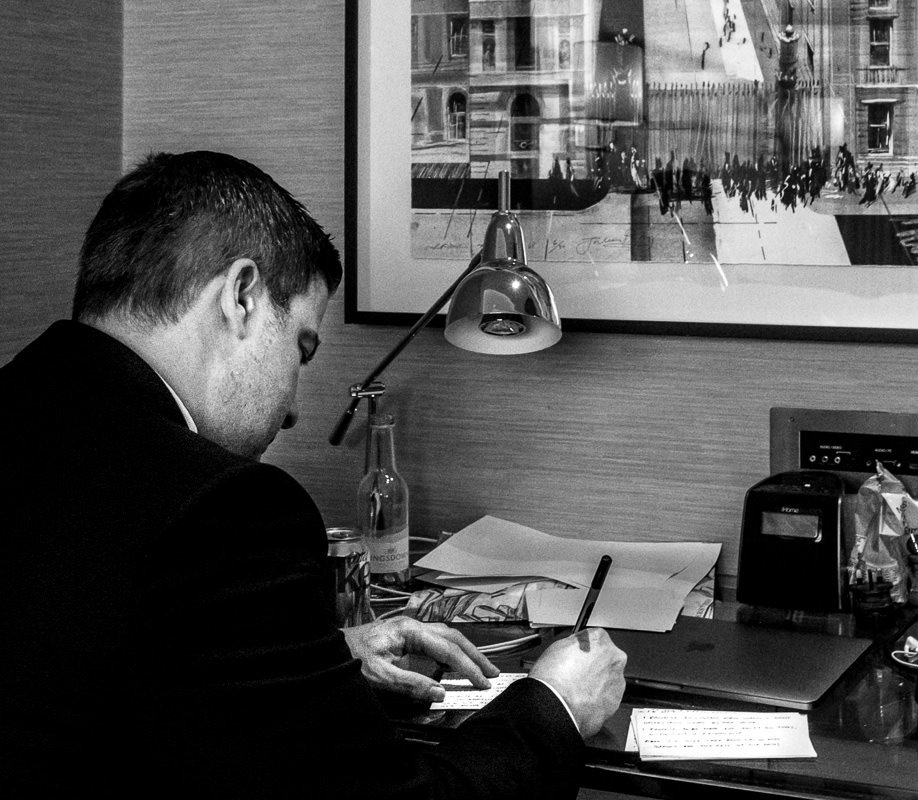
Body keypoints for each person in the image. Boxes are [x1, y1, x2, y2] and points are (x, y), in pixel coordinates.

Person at [0, 151, 627, 798]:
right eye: (301, 348)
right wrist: (555, 706)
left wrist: (315, 654)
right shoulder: (224, 510)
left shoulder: (22, 415)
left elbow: (92, 651)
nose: (296, 409)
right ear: (241, 296)